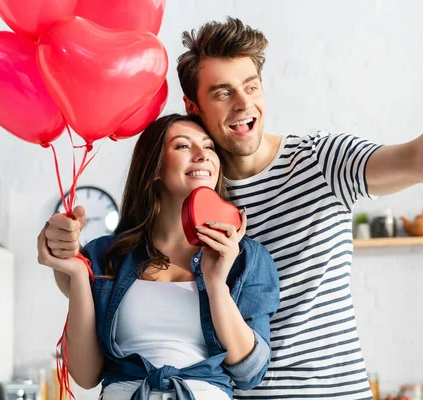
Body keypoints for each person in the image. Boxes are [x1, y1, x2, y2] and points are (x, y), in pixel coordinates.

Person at [44, 18, 423, 400]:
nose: (244, 103)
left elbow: (416, 161)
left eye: (251, 86)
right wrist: (61, 255)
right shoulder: (191, 186)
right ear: (193, 106)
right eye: (223, 92)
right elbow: (112, 274)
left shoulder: (321, 161)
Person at [37, 113, 280, 400]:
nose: (203, 155)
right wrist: (77, 274)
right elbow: (85, 375)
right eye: (182, 146)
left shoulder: (246, 259)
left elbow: (250, 373)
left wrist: (216, 285)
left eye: (209, 147)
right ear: (153, 168)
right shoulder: (104, 255)